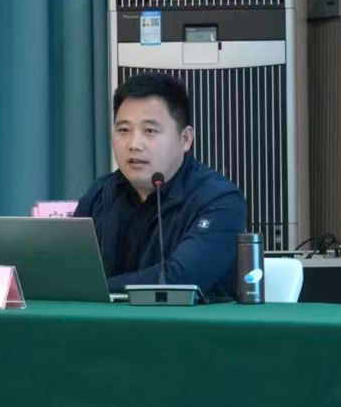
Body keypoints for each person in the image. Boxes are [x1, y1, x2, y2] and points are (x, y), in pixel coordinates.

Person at [73, 73, 247, 299]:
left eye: (150, 131)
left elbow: (180, 279)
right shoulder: (100, 194)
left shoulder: (220, 200)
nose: (134, 144)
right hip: (103, 320)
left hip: (186, 321)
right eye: (123, 130)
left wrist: (91, 289)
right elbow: (68, 270)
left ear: (185, 139)